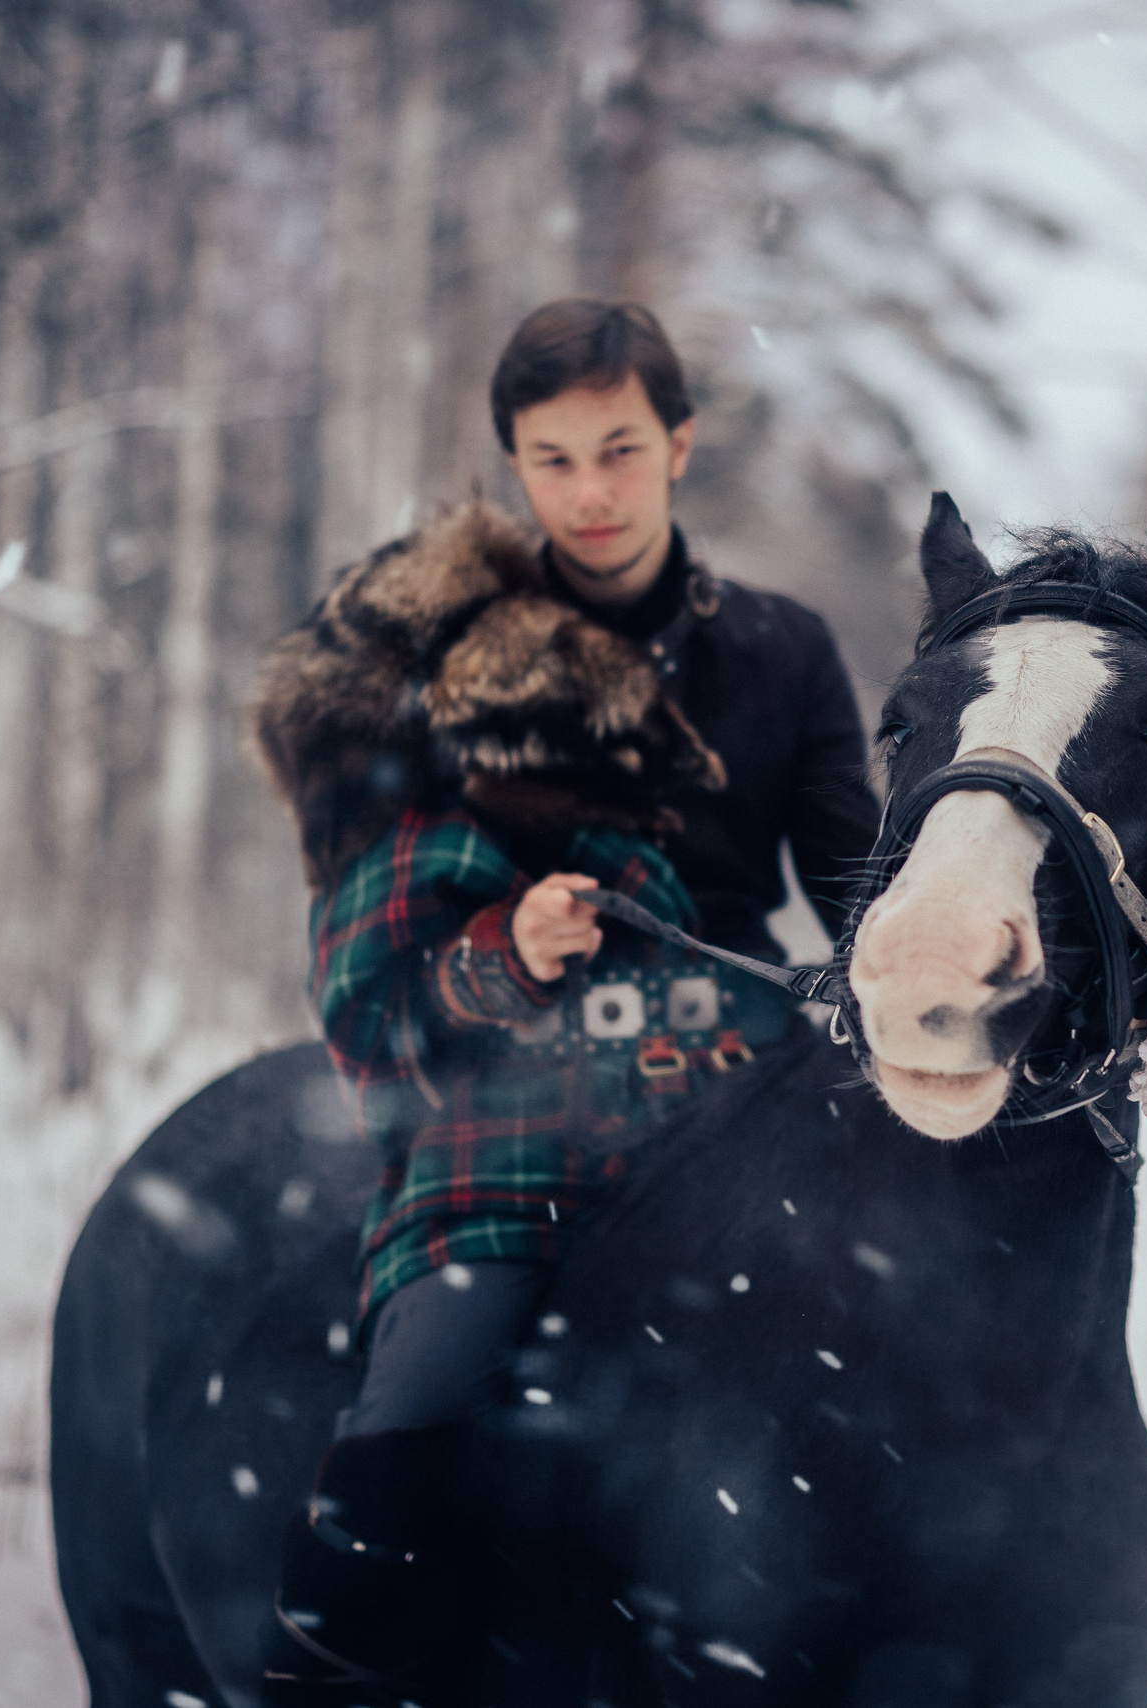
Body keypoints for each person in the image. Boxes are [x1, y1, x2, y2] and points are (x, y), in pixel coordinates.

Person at [249, 299, 881, 1700]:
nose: (590, 492)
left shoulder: (779, 648)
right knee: (442, 1363)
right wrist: (509, 949)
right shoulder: (434, 661)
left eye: (618, 449)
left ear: (679, 445)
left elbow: (861, 902)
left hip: (746, 1080)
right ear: (513, 469)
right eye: (551, 460)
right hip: (514, 1092)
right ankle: (343, 1637)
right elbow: (380, 973)